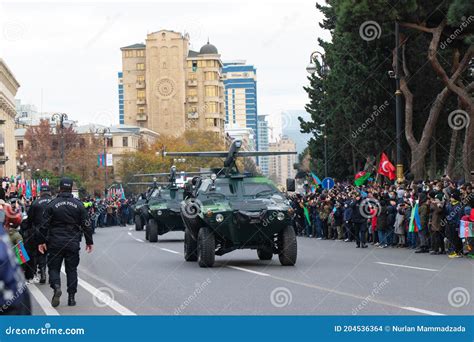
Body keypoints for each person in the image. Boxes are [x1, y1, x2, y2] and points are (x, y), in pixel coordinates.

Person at [38, 178, 94, 307]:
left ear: (60, 188)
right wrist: (89, 241)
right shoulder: (79, 205)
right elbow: (86, 225)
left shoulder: (52, 204)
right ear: (71, 188)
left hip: (55, 242)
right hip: (72, 241)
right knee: (72, 269)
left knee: (53, 268)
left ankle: (56, 287)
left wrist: (41, 241)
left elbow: (43, 225)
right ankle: (71, 298)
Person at [22, 185, 52, 284]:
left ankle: (42, 272)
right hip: (52, 231)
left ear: (41, 193)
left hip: (38, 231)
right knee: (50, 253)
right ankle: (48, 273)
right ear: (49, 192)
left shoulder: (35, 203)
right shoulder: (54, 202)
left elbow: (30, 219)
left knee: (39, 251)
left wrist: (25, 228)